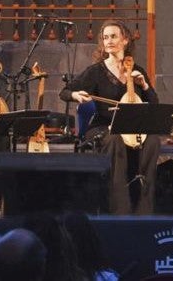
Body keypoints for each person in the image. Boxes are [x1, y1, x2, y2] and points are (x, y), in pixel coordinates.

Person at [61, 19, 161, 215]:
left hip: (133, 128)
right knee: (115, 140)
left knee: (153, 142)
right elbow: (65, 92)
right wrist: (75, 95)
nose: (108, 41)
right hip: (103, 127)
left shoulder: (136, 70)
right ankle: (119, 210)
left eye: (113, 36)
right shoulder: (95, 71)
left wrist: (145, 86)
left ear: (125, 40)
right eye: (105, 37)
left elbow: (154, 104)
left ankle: (144, 210)